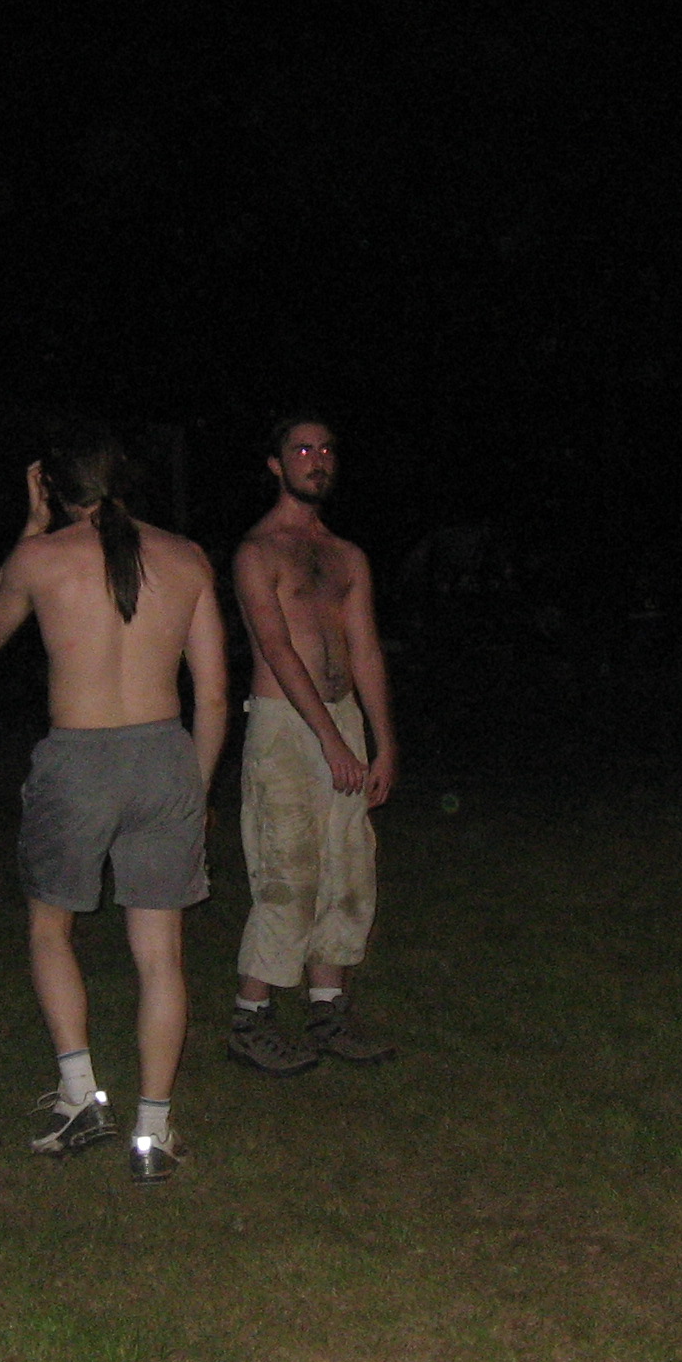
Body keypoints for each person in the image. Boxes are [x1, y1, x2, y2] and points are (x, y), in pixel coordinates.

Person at [0, 429, 228, 1183]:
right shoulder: (186, 558)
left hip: (79, 762)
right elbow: (213, 694)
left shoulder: (41, 558)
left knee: (51, 928)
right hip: (163, 760)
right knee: (160, 955)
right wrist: (196, 789)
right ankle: (153, 1132)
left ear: (54, 490)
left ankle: (82, 1095)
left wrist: (29, 527)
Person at [225, 415, 401, 1074]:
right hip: (285, 728)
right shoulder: (257, 552)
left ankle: (328, 1011)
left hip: (344, 721)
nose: (316, 459)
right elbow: (276, 648)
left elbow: (365, 649)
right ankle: (250, 1018)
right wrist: (329, 741)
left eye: (326, 448)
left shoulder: (347, 556)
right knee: (288, 871)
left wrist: (382, 743)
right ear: (275, 465)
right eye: (301, 448)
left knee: (348, 868)